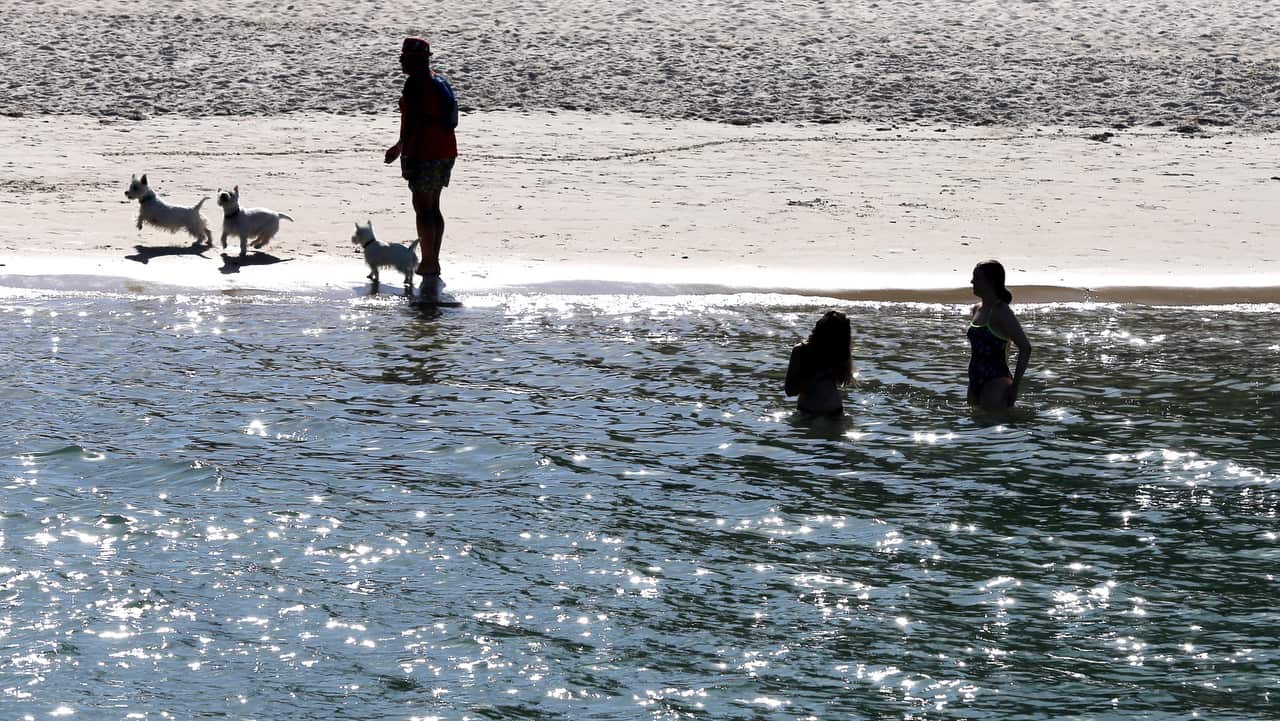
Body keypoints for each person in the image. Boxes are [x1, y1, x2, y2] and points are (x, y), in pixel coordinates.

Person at [384, 37, 458, 299]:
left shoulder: (416, 84)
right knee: (434, 206)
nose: (401, 60)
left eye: (404, 57)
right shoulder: (437, 79)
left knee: (422, 208)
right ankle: (432, 260)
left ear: (415, 59)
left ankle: (428, 262)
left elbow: (414, 123)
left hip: (424, 152)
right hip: (445, 151)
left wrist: (400, 150)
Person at [967, 260, 1032, 412]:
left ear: (991, 282)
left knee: (994, 428)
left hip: (996, 381)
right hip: (974, 380)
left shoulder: (1002, 312)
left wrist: (1015, 387)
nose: (972, 282)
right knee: (975, 425)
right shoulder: (976, 309)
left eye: (977, 278)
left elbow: (1025, 347)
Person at [785, 310, 854, 415]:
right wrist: (812, 371)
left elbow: (843, 380)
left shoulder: (838, 352)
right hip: (807, 412)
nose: (835, 342)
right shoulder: (800, 351)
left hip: (834, 413)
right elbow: (790, 391)